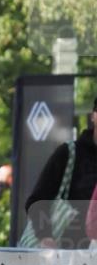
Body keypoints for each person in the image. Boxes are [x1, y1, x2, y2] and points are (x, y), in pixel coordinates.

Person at [23, 97, 97, 249]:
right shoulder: (69, 153)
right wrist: (45, 236)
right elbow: (37, 200)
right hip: (65, 252)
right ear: (93, 116)